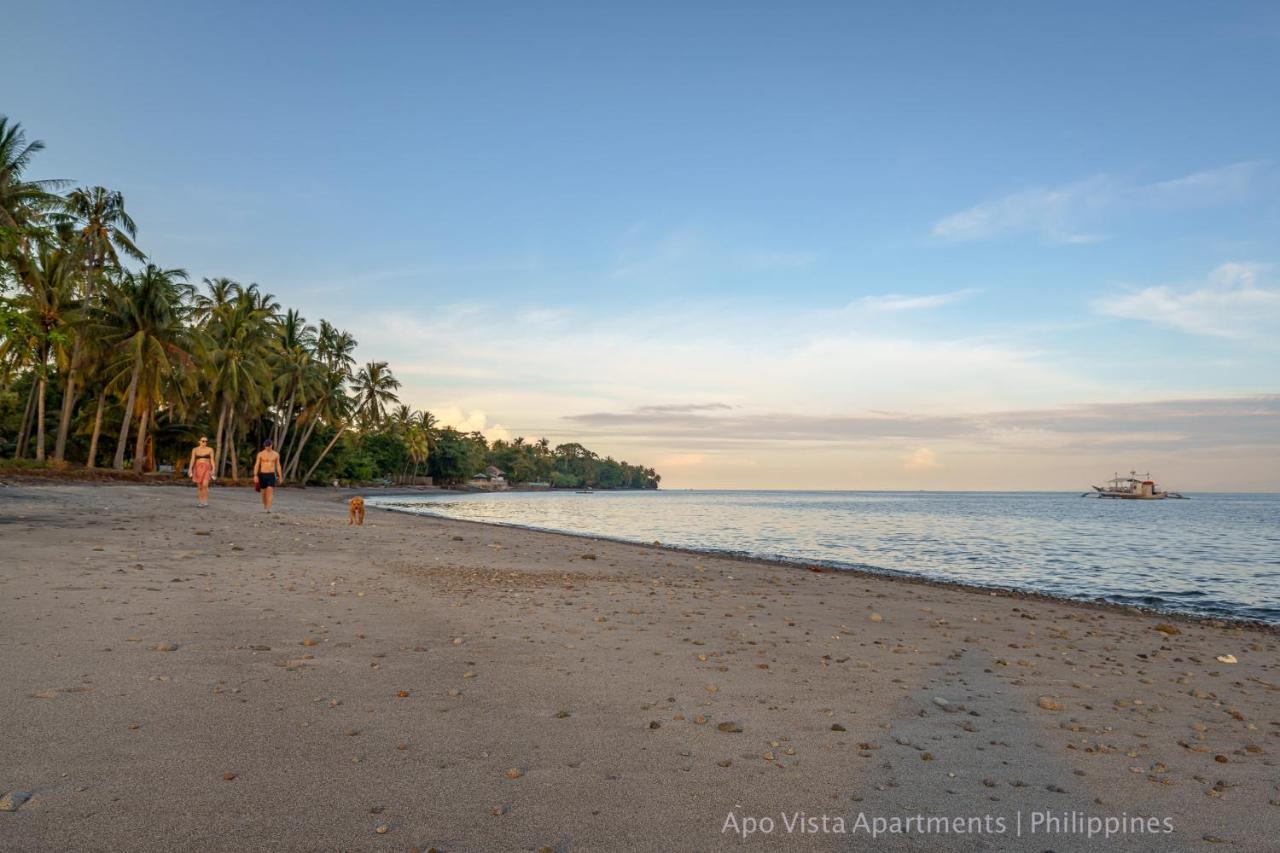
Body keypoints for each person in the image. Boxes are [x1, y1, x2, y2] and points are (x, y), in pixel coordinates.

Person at [253, 438, 283, 512]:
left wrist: (280, 476)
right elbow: (257, 464)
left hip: (271, 474)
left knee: (269, 491)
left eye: (268, 446)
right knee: (263, 493)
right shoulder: (260, 454)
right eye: (266, 446)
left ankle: (268, 509)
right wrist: (255, 475)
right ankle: (265, 505)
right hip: (262, 474)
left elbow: (278, 466)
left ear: (271, 445)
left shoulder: (276, 454)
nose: (267, 447)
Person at [188, 436, 214, 507]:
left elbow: (212, 460)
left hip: (207, 467)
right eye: (203, 441)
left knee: (205, 485)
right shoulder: (195, 449)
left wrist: (213, 469)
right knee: (199, 486)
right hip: (197, 468)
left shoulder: (210, 449)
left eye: (206, 441)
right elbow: (192, 459)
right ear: (199, 441)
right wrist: (190, 469)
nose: (204, 442)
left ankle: (205, 501)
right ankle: (201, 502)